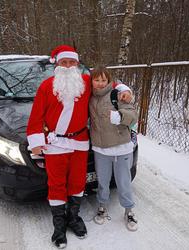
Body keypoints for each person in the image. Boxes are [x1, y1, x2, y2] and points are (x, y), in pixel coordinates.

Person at [26, 45, 132, 248]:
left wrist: (125, 90)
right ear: (57, 64)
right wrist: (37, 143)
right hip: (55, 143)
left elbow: (108, 82)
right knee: (56, 184)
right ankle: (59, 226)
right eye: (64, 62)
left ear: (77, 64)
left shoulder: (85, 81)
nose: (68, 66)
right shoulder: (47, 86)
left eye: (71, 62)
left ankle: (73, 218)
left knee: (77, 182)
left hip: (80, 142)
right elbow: (36, 115)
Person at [89, 66, 138, 231]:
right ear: (92, 81)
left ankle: (129, 210)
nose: (100, 83)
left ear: (109, 81)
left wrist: (121, 117)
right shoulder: (89, 97)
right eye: (97, 80)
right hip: (101, 150)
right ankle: (102, 207)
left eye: (104, 80)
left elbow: (133, 114)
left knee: (123, 182)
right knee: (102, 182)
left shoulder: (117, 94)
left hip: (121, 148)